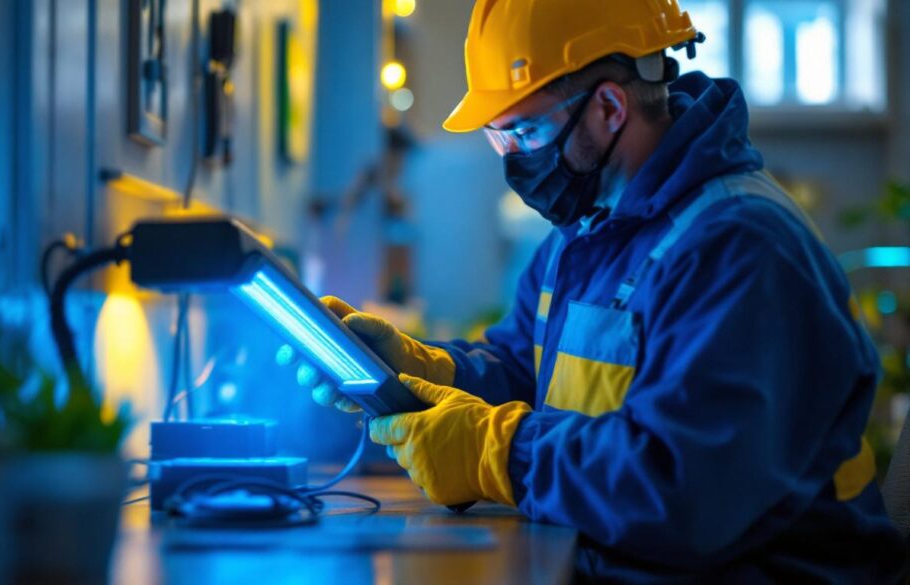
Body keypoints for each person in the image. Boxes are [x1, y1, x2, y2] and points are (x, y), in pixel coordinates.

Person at [293, 0, 909, 580]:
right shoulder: (584, 232)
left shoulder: (740, 249)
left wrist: (500, 454)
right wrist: (420, 368)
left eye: (524, 133)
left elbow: (682, 488)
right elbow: (525, 367)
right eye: (498, 137)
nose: (512, 160)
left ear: (611, 109)